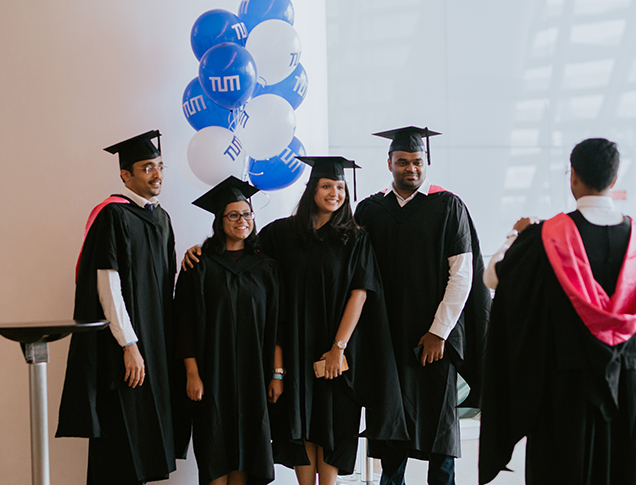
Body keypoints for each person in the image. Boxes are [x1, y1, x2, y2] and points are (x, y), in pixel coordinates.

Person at [183, 157, 407, 485]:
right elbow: (241, 248)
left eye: (340, 187)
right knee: (301, 424)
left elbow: (360, 293)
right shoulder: (282, 233)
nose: (334, 193)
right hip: (296, 349)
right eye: (327, 186)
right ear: (312, 189)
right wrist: (199, 249)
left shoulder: (355, 238)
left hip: (337, 353)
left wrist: (338, 347)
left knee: (333, 426)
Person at [478, 138, 636, 485]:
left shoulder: (545, 239)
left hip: (563, 392)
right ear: (614, 181)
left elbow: (494, 278)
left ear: (572, 177)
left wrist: (515, 236)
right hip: (629, 390)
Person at [353, 127, 492, 485]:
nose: (410, 168)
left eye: (417, 162)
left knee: (440, 438)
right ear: (389, 163)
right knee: (392, 433)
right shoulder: (370, 210)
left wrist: (438, 332)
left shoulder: (447, 206)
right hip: (386, 339)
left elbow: (462, 275)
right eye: (402, 162)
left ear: (426, 162)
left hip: (432, 341)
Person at [56, 130, 178, 484]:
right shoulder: (113, 215)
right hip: (124, 346)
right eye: (146, 168)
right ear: (126, 175)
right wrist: (129, 344)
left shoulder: (161, 219)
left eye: (158, 166)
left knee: (145, 436)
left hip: (153, 342)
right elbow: (107, 285)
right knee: (121, 442)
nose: (156, 175)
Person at [173, 176, 282, 485]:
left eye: (246, 214)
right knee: (215, 449)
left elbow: (276, 325)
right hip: (212, 375)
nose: (241, 220)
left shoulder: (267, 269)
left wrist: (277, 374)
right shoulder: (200, 266)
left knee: (249, 454)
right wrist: (192, 373)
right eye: (233, 215)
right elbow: (184, 323)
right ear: (219, 221)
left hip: (254, 378)